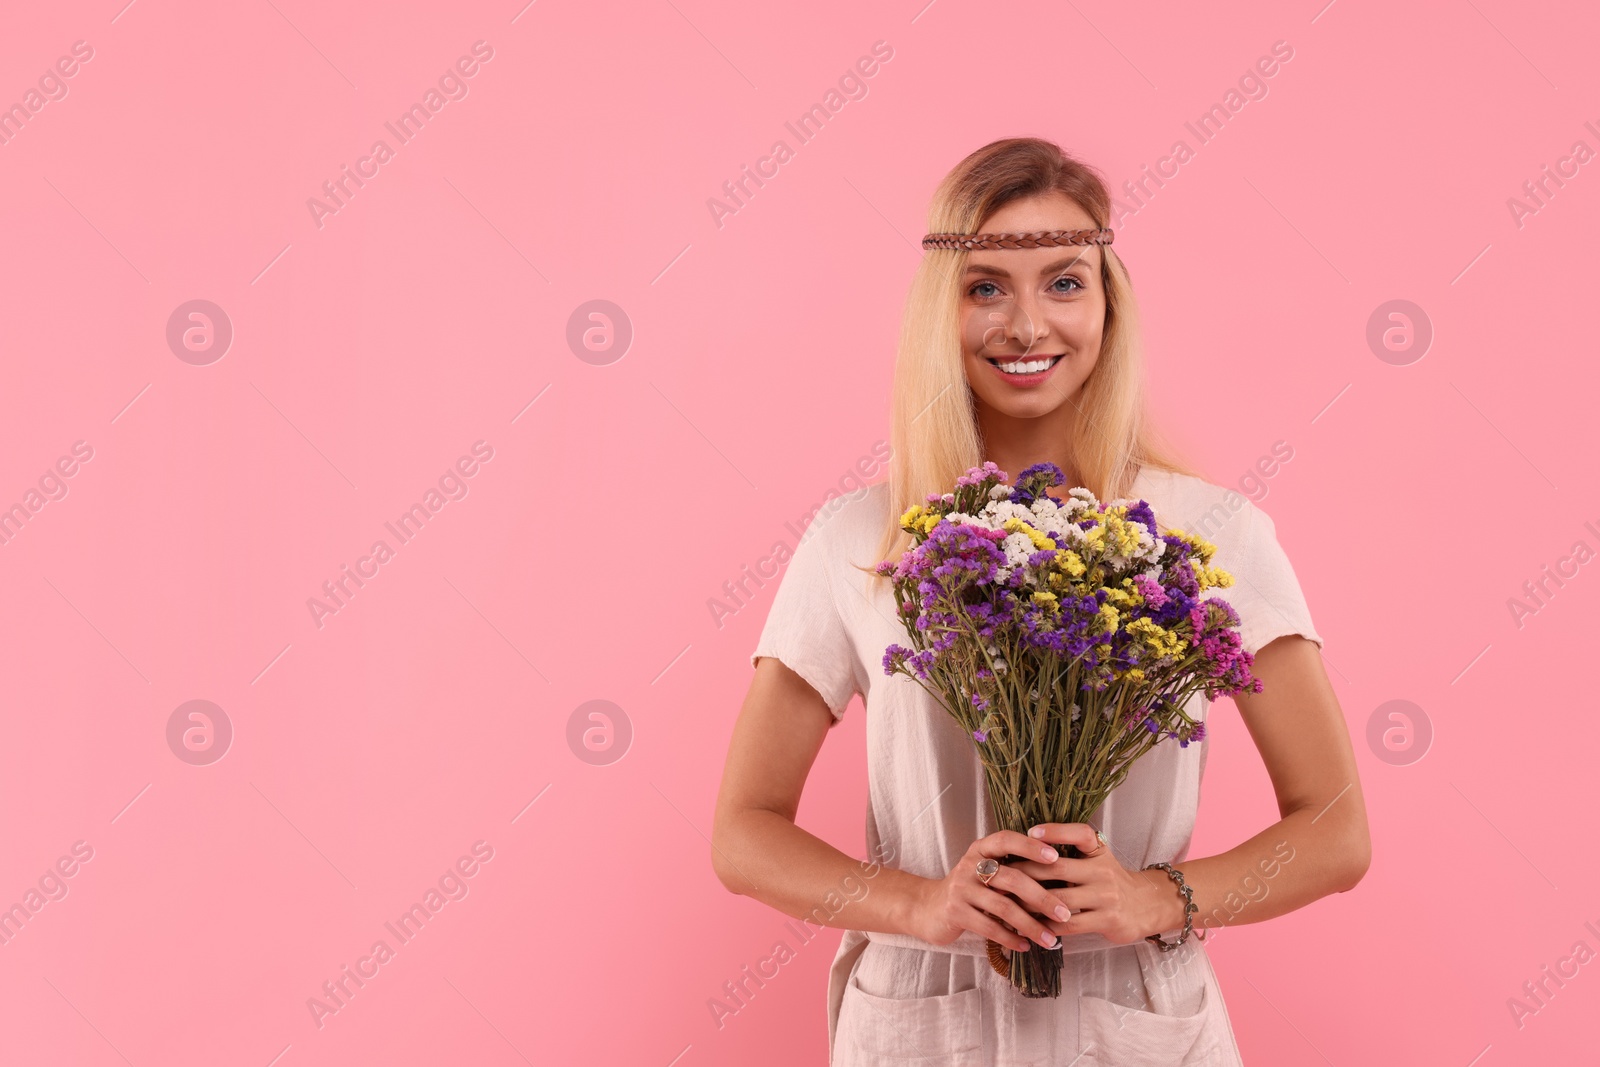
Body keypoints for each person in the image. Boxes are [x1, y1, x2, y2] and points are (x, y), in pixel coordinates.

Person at [711, 137, 1371, 1066]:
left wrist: (1159, 895)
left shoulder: (1213, 532)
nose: (1027, 326)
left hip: (1133, 1020)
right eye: (986, 287)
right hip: (919, 1021)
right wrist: (923, 904)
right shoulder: (859, 542)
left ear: (1109, 302)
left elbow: (1337, 829)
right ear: (942, 310)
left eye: (1064, 282)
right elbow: (743, 832)